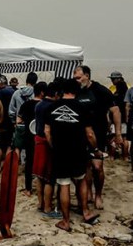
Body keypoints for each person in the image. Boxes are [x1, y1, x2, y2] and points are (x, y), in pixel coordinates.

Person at [44, 79, 99, 232]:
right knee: (81, 180)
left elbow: (47, 132)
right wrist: (95, 148)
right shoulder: (82, 107)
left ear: (62, 91)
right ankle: (86, 212)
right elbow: (89, 133)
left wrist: (54, 146)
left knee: (63, 184)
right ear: (77, 91)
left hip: (60, 151)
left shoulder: (51, 107)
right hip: (78, 150)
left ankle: (66, 221)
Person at [74, 65, 122, 210]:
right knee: (86, 166)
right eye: (75, 78)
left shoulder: (100, 90)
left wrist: (118, 133)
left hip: (98, 133)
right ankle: (88, 191)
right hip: (80, 133)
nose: (76, 80)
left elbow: (116, 111)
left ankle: (98, 195)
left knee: (97, 166)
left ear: (87, 76)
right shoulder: (75, 91)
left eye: (79, 77)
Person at [17, 82, 47, 196]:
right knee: (44, 162)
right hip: (43, 137)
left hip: (29, 136)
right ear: (42, 92)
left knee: (29, 162)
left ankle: (28, 189)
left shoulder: (26, 104)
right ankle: (44, 188)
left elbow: (19, 120)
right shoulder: (45, 105)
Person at [33, 82, 58, 216]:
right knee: (49, 177)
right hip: (47, 142)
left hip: (38, 140)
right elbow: (48, 131)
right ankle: (48, 207)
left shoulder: (39, 105)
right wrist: (53, 145)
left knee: (39, 176)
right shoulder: (53, 106)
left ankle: (40, 203)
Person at [0, 75, 15, 171]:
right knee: (9, 145)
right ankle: (7, 166)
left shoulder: (1, 92)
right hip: (11, 121)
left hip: (2, 122)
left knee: (0, 145)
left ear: (0, 83)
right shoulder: (13, 91)